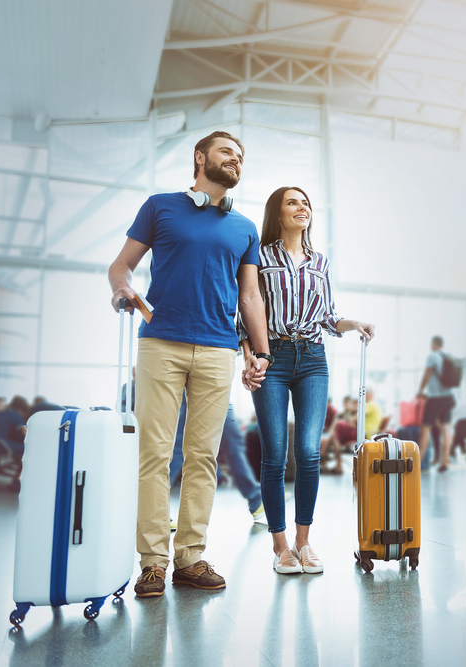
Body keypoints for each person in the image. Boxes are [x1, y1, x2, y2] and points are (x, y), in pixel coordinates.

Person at [108, 130, 271, 599]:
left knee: (204, 458)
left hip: (219, 349)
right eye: (226, 151)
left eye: (240, 155)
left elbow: (249, 295)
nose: (235, 159)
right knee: (155, 455)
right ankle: (153, 563)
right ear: (200, 158)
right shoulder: (160, 207)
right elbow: (122, 265)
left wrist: (259, 352)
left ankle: (190, 557)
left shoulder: (243, 227)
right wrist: (122, 289)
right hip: (161, 341)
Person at [239, 186, 375, 575]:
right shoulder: (259, 257)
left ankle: (304, 541)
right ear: (277, 214)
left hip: (313, 358)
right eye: (292, 202)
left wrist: (353, 324)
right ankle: (281, 546)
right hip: (274, 359)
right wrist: (250, 356)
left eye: (307, 203)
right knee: (275, 453)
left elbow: (328, 317)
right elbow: (246, 311)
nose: (303, 208)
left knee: (309, 451)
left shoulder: (320, 262)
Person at [417, 336, 456, 472]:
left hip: (434, 399)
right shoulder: (448, 357)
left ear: (433, 344)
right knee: (446, 430)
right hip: (448, 398)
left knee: (425, 429)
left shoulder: (432, 356)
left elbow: (426, 375)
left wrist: (420, 390)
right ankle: (444, 461)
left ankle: (418, 462)